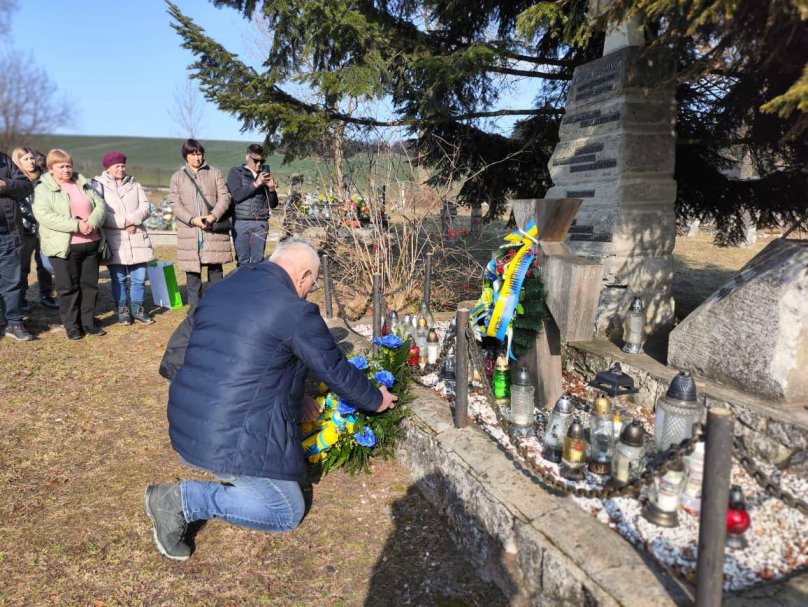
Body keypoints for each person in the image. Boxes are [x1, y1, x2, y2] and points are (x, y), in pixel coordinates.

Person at [144, 238, 397, 561]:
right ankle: (181, 500)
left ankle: (218, 471)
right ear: (304, 276)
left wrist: (300, 394)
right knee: (285, 509)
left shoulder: (228, 286)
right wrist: (376, 399)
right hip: (221, 439)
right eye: (312, 285)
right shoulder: (293, 310)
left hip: (187, 426)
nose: (308, 291)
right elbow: (334, 368)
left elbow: (243, 355)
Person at [33, 149, 107, 340]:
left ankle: (88, 321)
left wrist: (92, 222)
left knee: (89, 286)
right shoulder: (43, 188)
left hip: (91, 244)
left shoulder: (83, 184)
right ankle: (72, 325)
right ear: (51, 168)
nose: (66, 169)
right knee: (68, 288)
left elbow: (100, 205)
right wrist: (76, 225)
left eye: (68, 165)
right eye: (61, 166)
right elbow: (45, 216)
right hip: (63, 247)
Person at [168, 139, 232, 313]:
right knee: (193, 275)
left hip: (213, 232)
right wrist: (192, 219)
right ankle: (195, 312)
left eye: (199, 153)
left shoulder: (214, 173)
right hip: (190, 232)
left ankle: (216, 309)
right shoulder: (178, 177)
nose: (197, 157)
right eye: (192, 154)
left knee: (215, 273)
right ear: (186, 156)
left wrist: (212, 216)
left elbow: (224, 197)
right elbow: (175, 203)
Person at [93, 151, 155, 325]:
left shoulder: (134, 184)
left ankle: (138, 309)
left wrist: (133, 219)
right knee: (118, 278)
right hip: (115, 239)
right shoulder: (98, 186)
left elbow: (146, 206)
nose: (121, 169)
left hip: (136, 237)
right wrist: (123, 222)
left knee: (139, 277)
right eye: (117, 166)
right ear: (108, 167)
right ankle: (123, 311)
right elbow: (100, 212)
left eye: (123, 165)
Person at [11, 146, 58, 313]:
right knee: (23, 267)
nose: (31, 162)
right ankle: (21, 298)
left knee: (46, 265)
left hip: (45, 229)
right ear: (18, 161)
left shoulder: (45, 178)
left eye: (32, 158)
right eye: (26, 159)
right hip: (24, 229)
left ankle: (46, 295)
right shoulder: (15, 180)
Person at [0, 150, 35, 340]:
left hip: (8, 233)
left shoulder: (4, 159)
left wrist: (6, 184)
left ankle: (13, 323)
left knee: (12, 281)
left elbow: (25, 185)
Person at [226, 143, 278, 265]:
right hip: (241, 222)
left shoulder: (265, 175)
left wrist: (271, 189)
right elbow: (237, 196)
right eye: (255, 161)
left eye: (262, 161)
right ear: (247, 157)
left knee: (258, 261)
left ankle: (255, 284)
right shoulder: (236, 172)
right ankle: (241, 284)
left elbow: (273, 204)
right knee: (242, 260)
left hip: (260, 223)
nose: (259, 164)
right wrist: (256, 183)